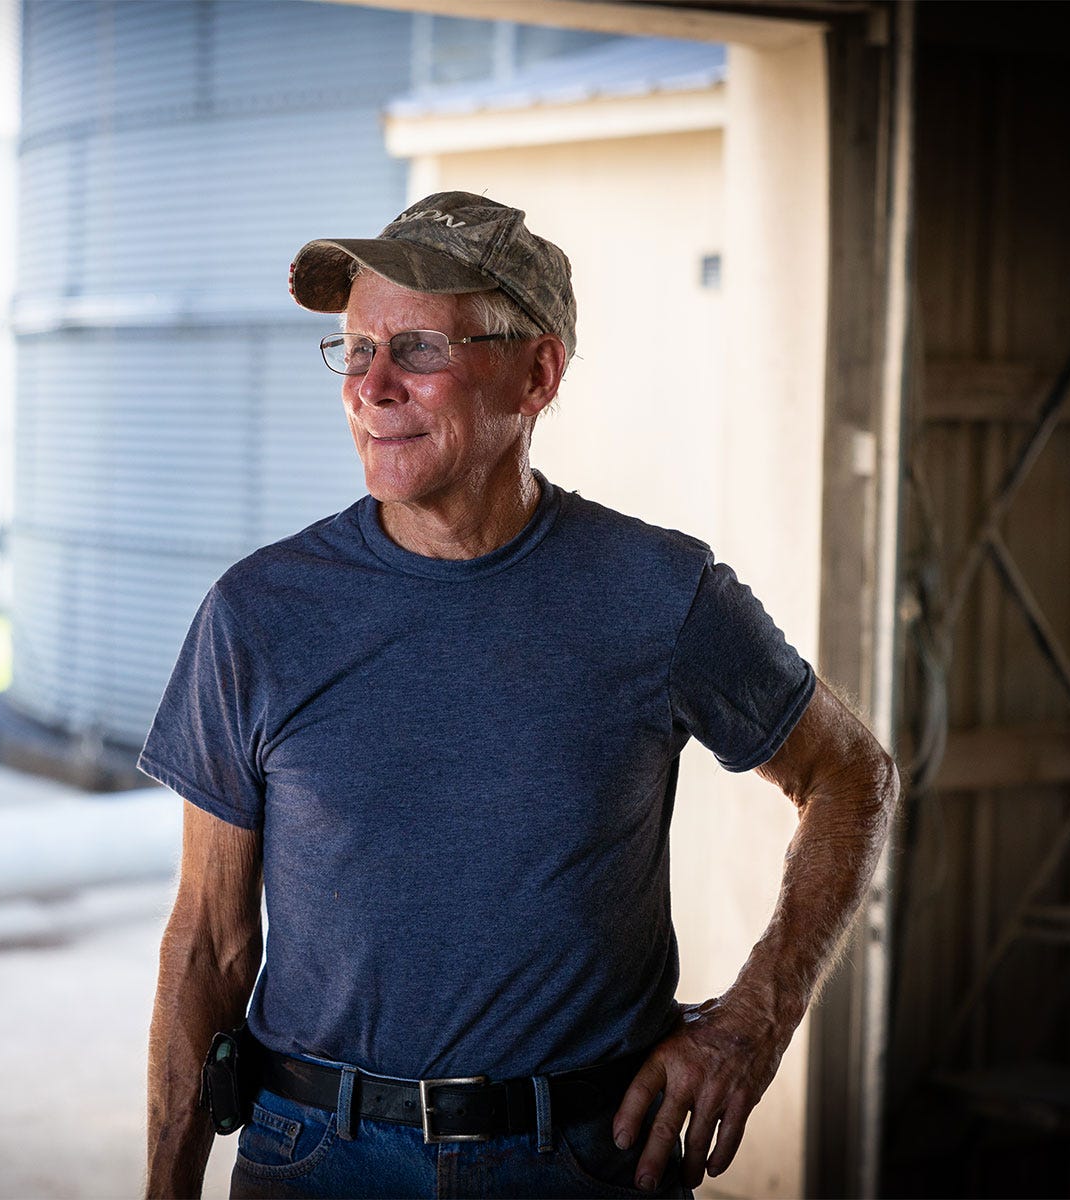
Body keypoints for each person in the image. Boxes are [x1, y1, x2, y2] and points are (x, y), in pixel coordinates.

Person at [140, 191, 898, 1199]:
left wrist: (757, 1019)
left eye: (416, 348)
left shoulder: (660, 594)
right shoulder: (260, 614)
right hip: (316, 1158)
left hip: (579, 1159)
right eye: (355, 348)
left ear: (536, 373)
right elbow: (209, 946)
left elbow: (853, 775)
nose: (372, 387)